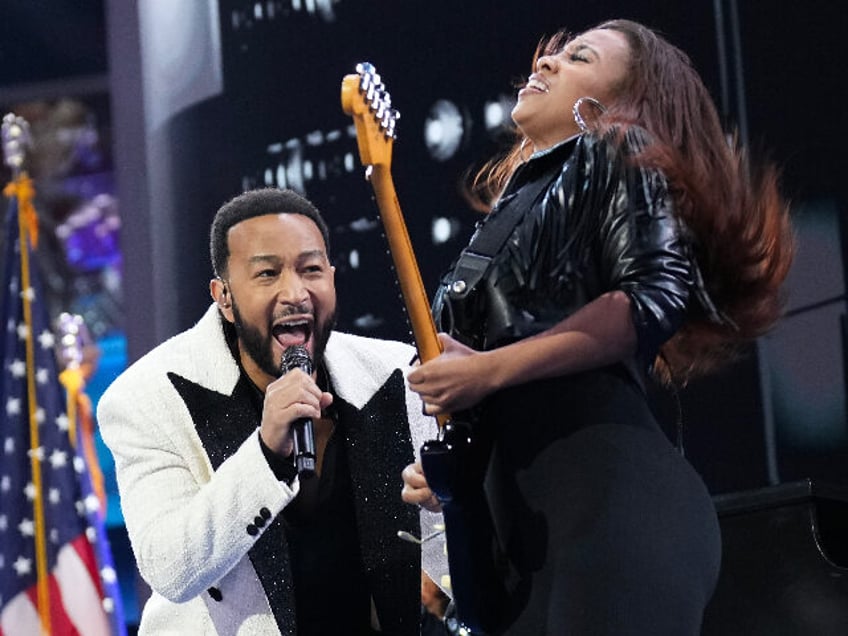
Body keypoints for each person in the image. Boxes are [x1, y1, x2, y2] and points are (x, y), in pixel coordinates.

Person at [401, 18, 794, 635]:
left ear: (620, 106)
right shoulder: (521, 207)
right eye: (554, 53)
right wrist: (461, 474)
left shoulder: (620, 147)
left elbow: (647, 300)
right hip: (531, 544)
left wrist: (484, 370)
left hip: (612, 508)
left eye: (579, 57)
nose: (548, 62)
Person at [97, 187, 448, 635]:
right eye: (267, 274)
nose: (295, 293)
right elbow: (171, 569)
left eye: (311, 270)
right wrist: (264, 454)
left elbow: (446, 554)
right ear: (223, 296)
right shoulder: (147, 397)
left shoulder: (395, 373)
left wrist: (449, 501)